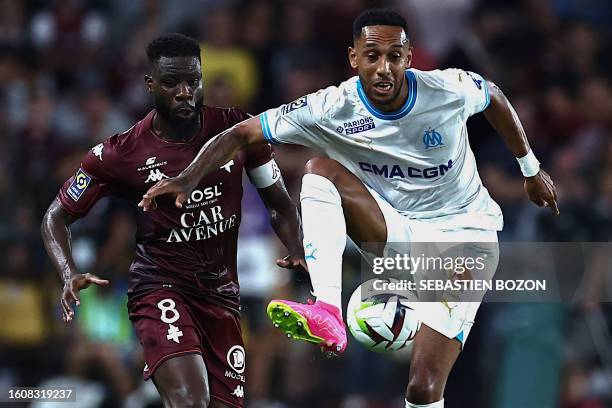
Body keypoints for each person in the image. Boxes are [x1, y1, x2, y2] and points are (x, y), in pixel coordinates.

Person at [138, 9, 559, 408]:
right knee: (319, 169)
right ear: (354, 57)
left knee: (424, 385)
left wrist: (530, 169)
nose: (384, 68)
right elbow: (241, 133)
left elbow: (495, 97)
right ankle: (327, 309)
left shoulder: (446, 89)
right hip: (397, 232)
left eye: (395, 56)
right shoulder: (331, 108)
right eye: (372, 56)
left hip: (466, 243)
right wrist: (188, 177)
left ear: (409, 57)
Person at [41, 33, 305, 408]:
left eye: (192, 81)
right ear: (150, 85)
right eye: (171, 83)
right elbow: (56, 215)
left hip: (221, 296)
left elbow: (278, 202)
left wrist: (297, 247)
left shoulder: (237, 131)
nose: (185, 92)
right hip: (160, 288)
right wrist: (67, 271)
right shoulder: (122, 152)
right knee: (189, 400)